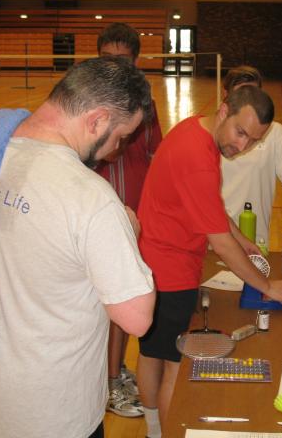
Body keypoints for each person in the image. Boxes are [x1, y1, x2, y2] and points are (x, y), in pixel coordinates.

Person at [0, 57, 156, 437]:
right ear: (97, 120)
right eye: (120, 137)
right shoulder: (91, 197)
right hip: (55, 416)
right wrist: (128, 235)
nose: (116, 149)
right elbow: (136, 318)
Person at [136, 85, 282, 437]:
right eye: (241, 132)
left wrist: (242, 240)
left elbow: (211, 206)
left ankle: (152, 430)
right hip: (170, 273)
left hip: (155, 264)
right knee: (174, 367)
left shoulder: (197, 129)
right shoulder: (198, 158)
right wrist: (267, 286)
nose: (242, 146)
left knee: (152, 353)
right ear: (224, 111)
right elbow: (220, 244)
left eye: (253, 141)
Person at [94, 22, 163, 418]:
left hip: (133, 217)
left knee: (123, 301)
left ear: (135, 61)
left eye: (122, 60)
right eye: (107, 59)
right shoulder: (88, 105)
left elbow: (156, 156)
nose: (115, 67)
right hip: (98, 220)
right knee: (105, 307)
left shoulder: (145, 105)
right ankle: (106, 382)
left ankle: (115, 371)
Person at [220, 65, 282, 258]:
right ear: (226, 94)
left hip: (255, 241)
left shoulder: (275, 133)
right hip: (214, 237)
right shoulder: (214, 134)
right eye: (242, 93)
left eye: (255, 94)